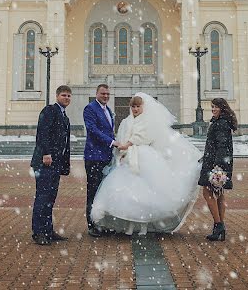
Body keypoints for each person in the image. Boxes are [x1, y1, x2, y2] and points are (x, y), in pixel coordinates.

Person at [91, 92, 201, 235]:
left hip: (144, 157)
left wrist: (129, 144)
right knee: (128, 194)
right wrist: (122, 151)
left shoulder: (148, 121)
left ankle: (144, 225)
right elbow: (121, 136)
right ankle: (129, 224)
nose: (135, 109)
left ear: (143, 107)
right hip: (128, 158)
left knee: (145, 193)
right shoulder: (126, 121)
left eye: (138, 106)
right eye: (133, 106)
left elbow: (144, 136)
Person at [30, 85, 72, 245]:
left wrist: (65, 164)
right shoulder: (49, 111)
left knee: (50, 198)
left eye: (68, 96)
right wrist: (46, 153)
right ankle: (38, 232)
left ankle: (48, 230)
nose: (66, 98)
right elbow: (42, 133)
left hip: (55, 164)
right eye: (63, 95)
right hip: (44, 162)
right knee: (42, 196)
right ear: (57, 96)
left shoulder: (65, 117)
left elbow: (65, 143)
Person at [198, 97, 237, 242]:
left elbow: (222, 145)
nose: (213, 109)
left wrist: (217, 165)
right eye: (212, 107)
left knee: (207, 193)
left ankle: (218, 224)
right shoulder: (222, 122)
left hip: (215, 164)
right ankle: (220, 227)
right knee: (219, 193)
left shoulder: (220, 123)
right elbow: (217, 144)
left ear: (222, 108)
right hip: (217, 161)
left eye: (216, 107)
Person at [83, 83, 119, 237]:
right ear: (96, 93)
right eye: (103, 93)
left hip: (105, 157)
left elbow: (109, 132)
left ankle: (102, 223)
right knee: (93, 191)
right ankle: (92, 225)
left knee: (103, 192)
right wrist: (111, 142)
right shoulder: (90, 108)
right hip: (94, 157)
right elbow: (93, 130)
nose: (105, 96)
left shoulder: (108, 110)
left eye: (107, 94)